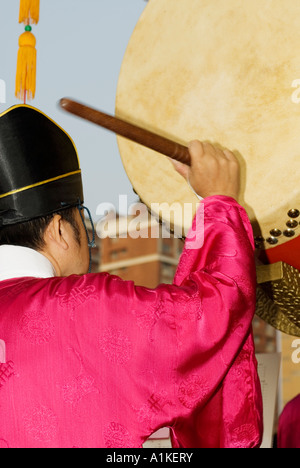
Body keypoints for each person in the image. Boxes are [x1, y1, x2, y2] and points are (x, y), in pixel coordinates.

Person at [0, 104, 263, 448]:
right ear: (60, 231)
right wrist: (219, 201)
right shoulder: (86, 309)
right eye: (82, 218)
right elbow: (214, 316)